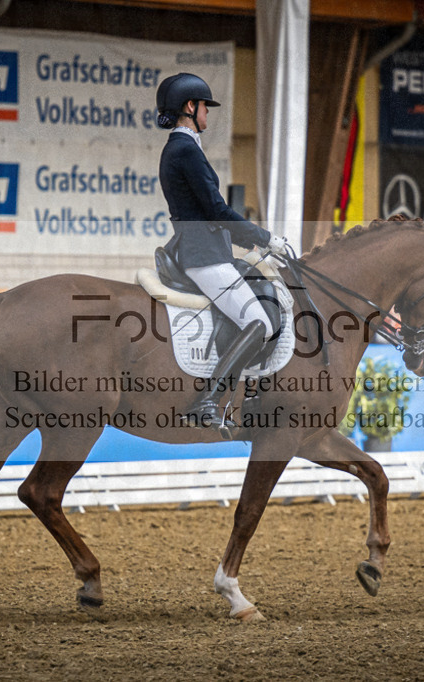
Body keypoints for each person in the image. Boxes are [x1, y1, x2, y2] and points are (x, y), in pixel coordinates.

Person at [155, 73, 287, 431]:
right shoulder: (184, 150)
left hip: (208, 250)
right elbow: (217, 211)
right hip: (204, 256)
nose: (207, 117)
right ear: (189, 107)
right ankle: (207, 400)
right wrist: (265, 238)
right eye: (204, 109)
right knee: (257, 322)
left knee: (263, 294)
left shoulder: (182, 149)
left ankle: (254, 393)